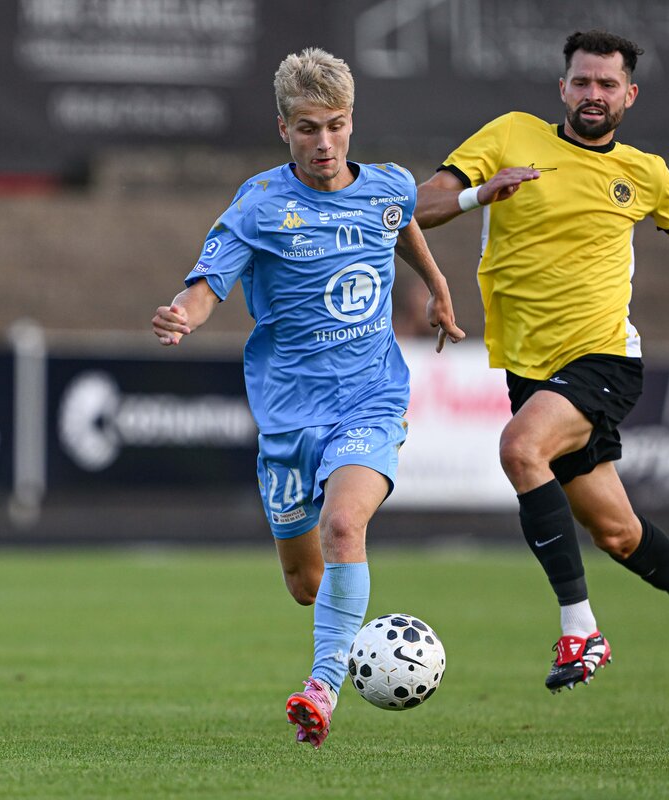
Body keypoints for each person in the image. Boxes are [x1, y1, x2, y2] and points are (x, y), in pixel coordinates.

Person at [414, 30, 669, 692]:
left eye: (607, 84)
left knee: (520, 449)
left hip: (604, 358)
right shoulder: (511, 135)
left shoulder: (645, 172)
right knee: (618, 534)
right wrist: (476, 196)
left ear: (630, 95)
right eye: (582, 82)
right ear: (563, 89)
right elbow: (419, 204)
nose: (593, 94)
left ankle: (581, 630)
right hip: (530, 371)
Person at [151, 48, 464, 748]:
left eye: (336, 125)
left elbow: (402, 218)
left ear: (352, 122)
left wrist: (438, 285)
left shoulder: (385, 185)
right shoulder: (259, 205)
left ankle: (321, 689)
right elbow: (205, 286)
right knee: (305, 583)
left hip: (370, 398)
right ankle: (349, 632)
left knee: (344, 526)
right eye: (307, 128)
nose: (324, 142)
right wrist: (181, 315)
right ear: (283, 129)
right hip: (289, 416)